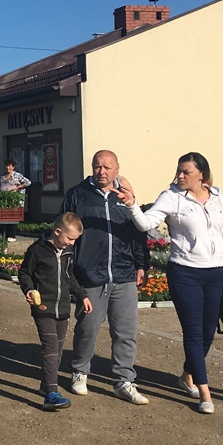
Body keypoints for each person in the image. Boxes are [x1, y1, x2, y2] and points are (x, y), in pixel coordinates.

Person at [121, 151, 223, 414]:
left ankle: (187, 376)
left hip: (216, 271)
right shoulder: (171, 197)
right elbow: (146, 223)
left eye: (187, 172)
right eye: (179, 171)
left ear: (201, 176)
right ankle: (205, 393)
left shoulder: (217, 195)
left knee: (208, 332)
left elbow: (221, 230)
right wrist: (132, 204)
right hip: (185, 272)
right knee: (193, 332)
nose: (180, 176)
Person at [58, 149, 150, 405]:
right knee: (87, 328)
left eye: (107, 167)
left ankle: (124, 380)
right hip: (90, 275)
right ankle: (79, 372)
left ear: (117, 170)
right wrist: (68, 270)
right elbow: (64, 233)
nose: (102, 172)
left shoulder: (125, 197)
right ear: (92, 167)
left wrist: (142, 263)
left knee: (126, 331)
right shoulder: (77, 196)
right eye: (98, 167)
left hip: (123, 273)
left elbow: (139, 232)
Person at [20, 212, 93, 411]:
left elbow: (70, 278)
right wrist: (28, 289)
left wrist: (83, 296)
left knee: (58, 350)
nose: (71, 243)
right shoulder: (37, 250)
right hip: (43, 307)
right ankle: (51, 393)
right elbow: (24, 272)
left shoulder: (68, 253)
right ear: (58, 231)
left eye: (75, 240)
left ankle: (45, 384)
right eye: (69, 238)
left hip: (62, 308)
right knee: (51, 347)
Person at [0, 159, 31, 241]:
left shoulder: (17, 175)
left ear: (13, 167)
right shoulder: (3, 175)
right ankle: (5, 235)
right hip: (4, 199)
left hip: (14, 199)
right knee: (5, 217)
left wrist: (17, 188)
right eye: (6, 165)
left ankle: (12, 235)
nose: (7, 167)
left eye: (9, 166)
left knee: (12, 216)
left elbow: (28, 182)